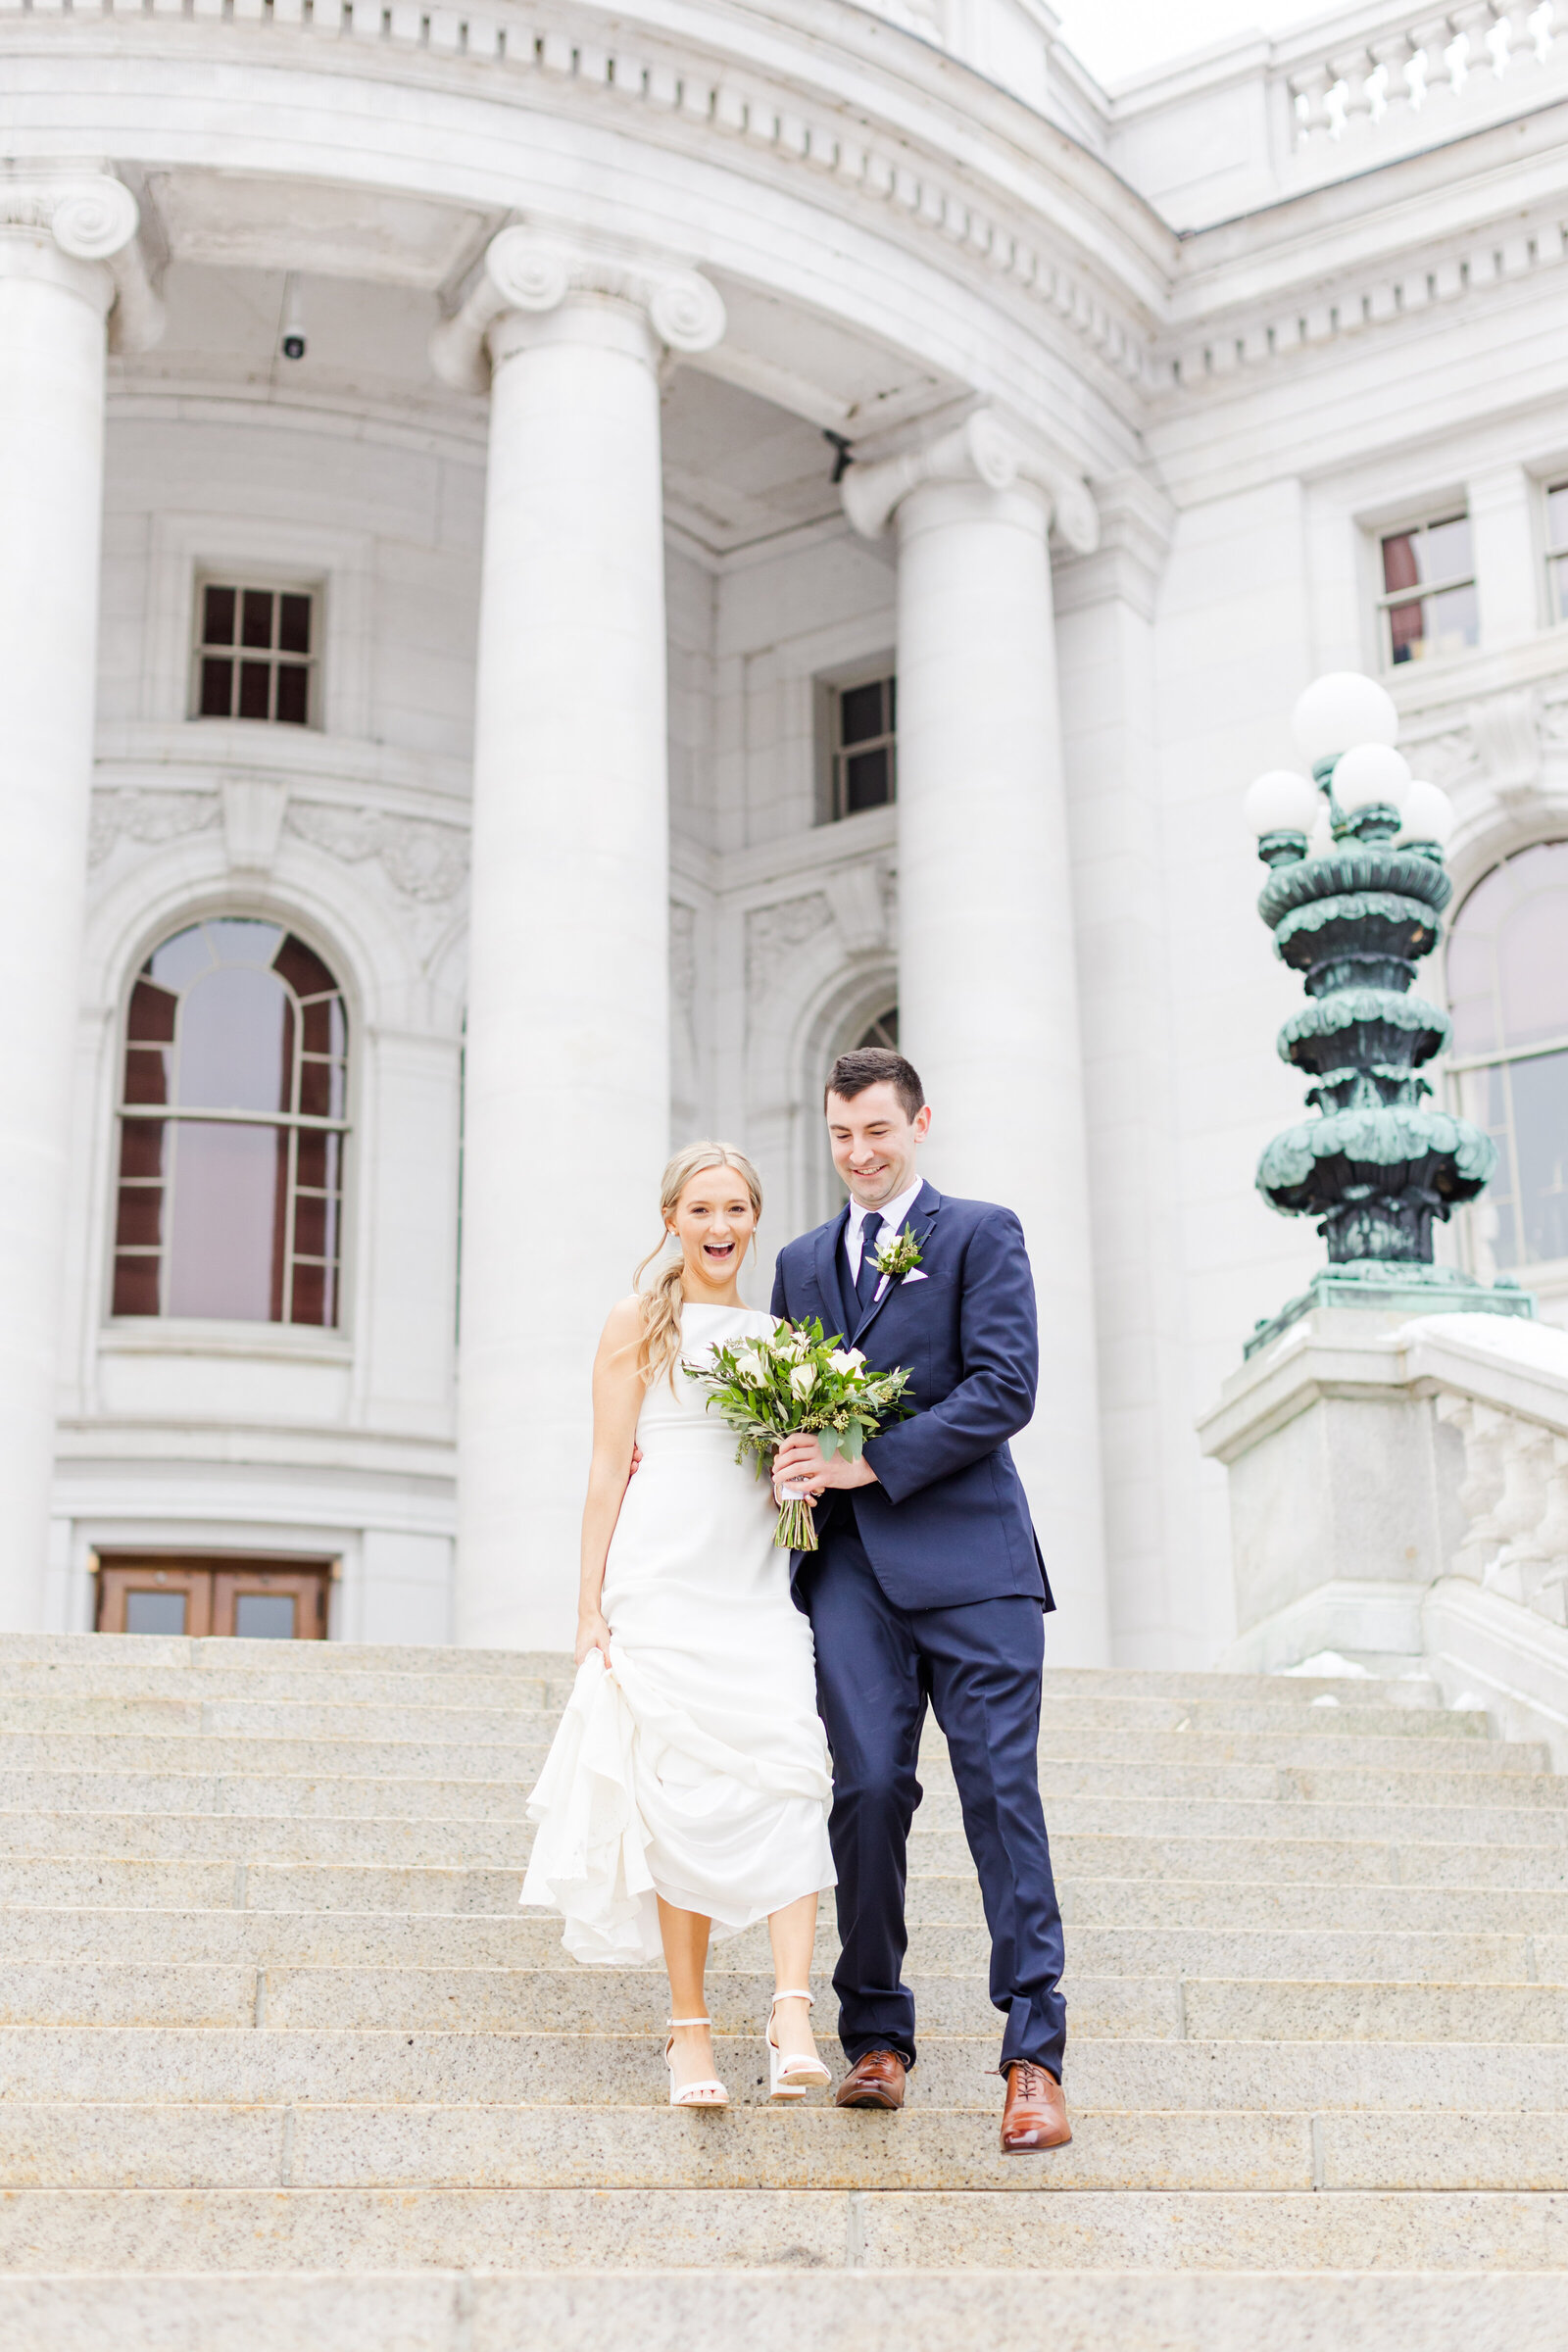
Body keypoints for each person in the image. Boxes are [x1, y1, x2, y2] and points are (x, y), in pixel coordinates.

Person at [770, 1047, 1071, 2154]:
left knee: (999, 1796)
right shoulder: (801, 1262)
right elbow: (787, 1402)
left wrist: (871, 1461)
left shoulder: (980, 1233)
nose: (858, 1154)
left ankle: (1033, 2056)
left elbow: (1005, 1387)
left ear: (919, 1125)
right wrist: (789, 1464)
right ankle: (876, 2040)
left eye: (877, 1133)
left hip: (974, 1564)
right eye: (842, 1136)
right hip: (849, 1572)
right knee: (864, 1791)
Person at [521, 1142, 836, 2108]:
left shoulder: (783, 1337)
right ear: (670, 1219)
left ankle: (790, 2013)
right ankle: (688, 2031)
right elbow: (606, 1468)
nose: (720, 1227)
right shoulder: (636, 1323)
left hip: (753, 1589)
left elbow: (792, 1468)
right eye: (701, 1209)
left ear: (753, 1218)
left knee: (790, 1768)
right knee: (677, 1794)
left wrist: (805, 1483)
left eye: (737, 1209)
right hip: (659, 1584)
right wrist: (587, 1607)